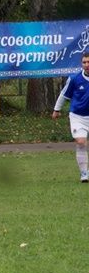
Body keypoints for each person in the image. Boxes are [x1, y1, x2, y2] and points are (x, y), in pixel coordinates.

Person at [52, 52, 89, 183]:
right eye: (84, 62)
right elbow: (63, 95)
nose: (87, 65)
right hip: (78, 116)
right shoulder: (74, 79)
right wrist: (56, 110)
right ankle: (84, 173)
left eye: (88, 62)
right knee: (81, 142)